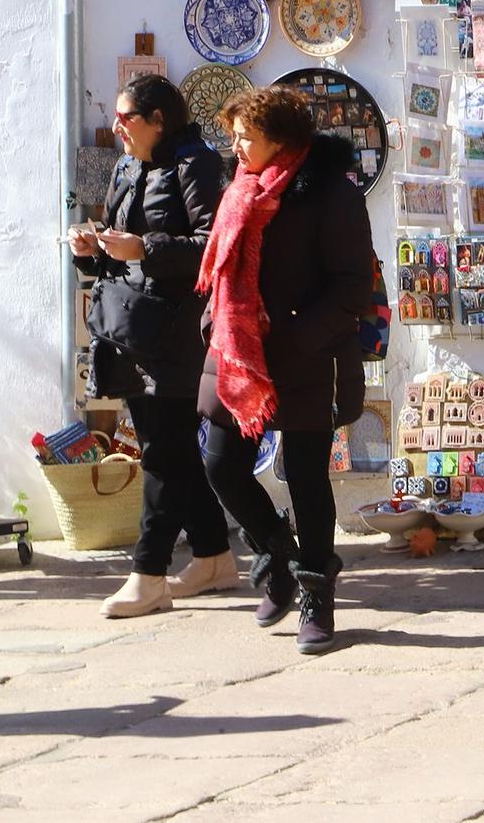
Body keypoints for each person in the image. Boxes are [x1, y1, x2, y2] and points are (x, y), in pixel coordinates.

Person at [196, 85, 374, 655]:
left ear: (282, 140)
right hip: (238, 351)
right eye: (235, 135)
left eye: (247, 136)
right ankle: (278, 555)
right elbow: (223, 268)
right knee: (220, 462)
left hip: (306, 354)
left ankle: (316, 597)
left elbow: (353, 287)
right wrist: (215, 322)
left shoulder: (331, 194)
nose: (236, 146)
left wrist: (295, 339)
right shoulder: (241, 188)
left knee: (304, 476)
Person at [69, 75, 233, 619]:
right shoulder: (125, 165)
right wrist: (91, 250)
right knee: (173, 448)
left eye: (127, 117)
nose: (117, 125)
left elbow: (213, 246)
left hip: (177, 331)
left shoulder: (196, 165)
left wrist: (146, 248)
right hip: (127, 327)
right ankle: (213, 557)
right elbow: (120, 250)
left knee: (163, 452)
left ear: (159, 119)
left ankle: (149, 572)